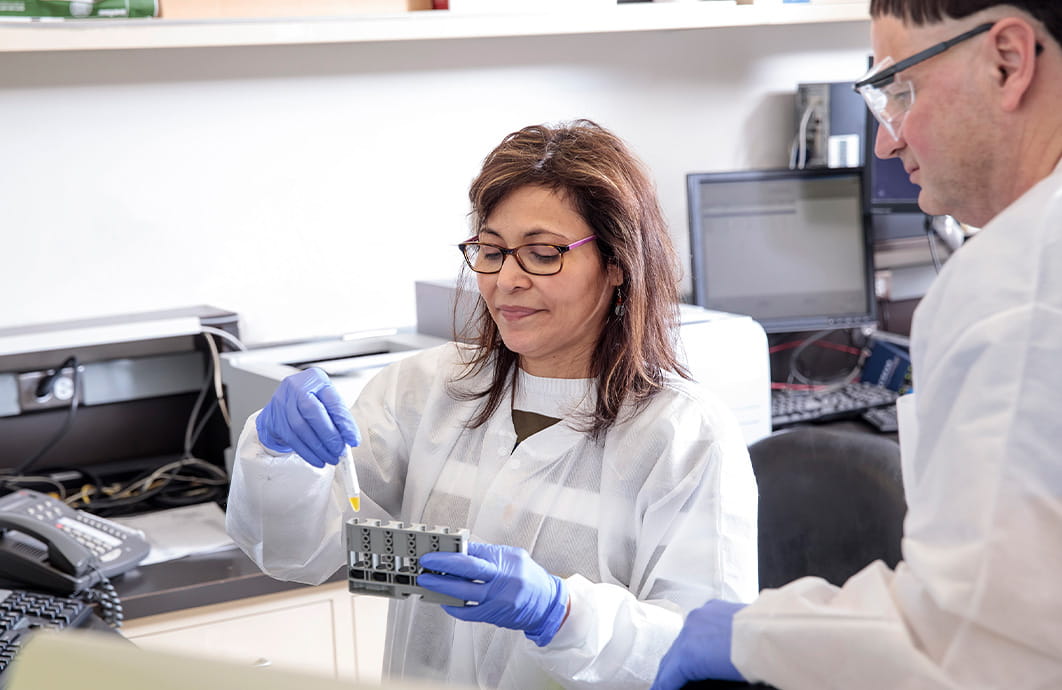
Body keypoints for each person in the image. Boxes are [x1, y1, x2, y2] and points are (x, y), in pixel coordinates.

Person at [226, 119, 759, 689]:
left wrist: (560, 614)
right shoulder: (422, 391)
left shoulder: (684, 436)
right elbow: (296, 551)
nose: (506, 279)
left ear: (617, 263)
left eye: (542, 254)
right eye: (491, 250)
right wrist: (278, 457)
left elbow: (704, 655)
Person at [652, 1, 1062, 688]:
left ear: (1008, 62)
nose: (885, 144)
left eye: (900, 90)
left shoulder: (1021, 279)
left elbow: (974, 645)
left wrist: (755, 636)